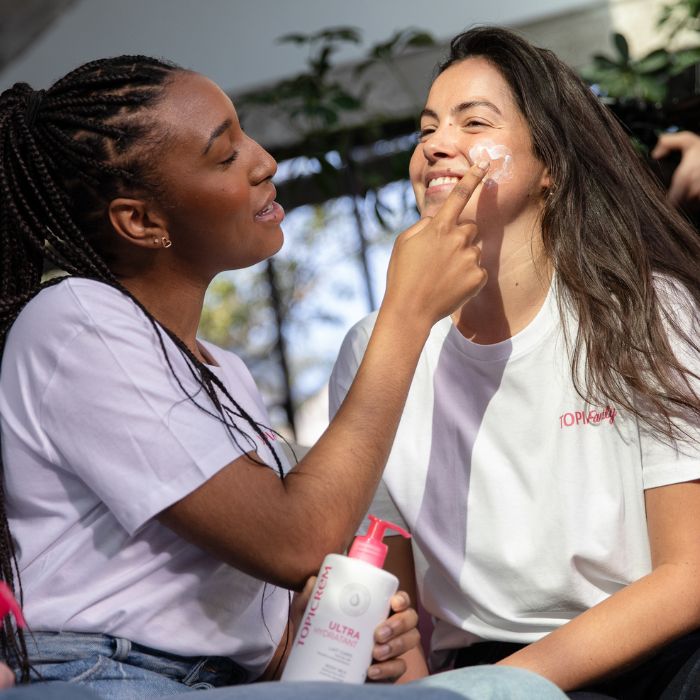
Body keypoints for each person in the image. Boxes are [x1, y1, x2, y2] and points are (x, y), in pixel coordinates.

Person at [0, 54, 569, 699]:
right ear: (142, 221)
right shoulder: (76, 319)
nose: (264, 160)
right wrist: (406, 315)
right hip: (109, 679)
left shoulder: (225, 373)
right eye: (225, 155)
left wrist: (310, 638)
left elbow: (222, 599)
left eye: (245, 134)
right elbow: (296, 539)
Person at [330, 26, 700, 700]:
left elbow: (690, 573)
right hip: (477, 668)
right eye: (427, 128)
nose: (436, 144)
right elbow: (390, 595)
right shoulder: (372, 346)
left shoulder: (645, 309)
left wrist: (505, 687)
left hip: (652, 654)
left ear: (549, 165)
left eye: (474, 122)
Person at [652, 130, 700, 207]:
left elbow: (663, 141)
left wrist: (651, 160)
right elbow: (664, 141)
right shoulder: (691, 141)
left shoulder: (690, 140)